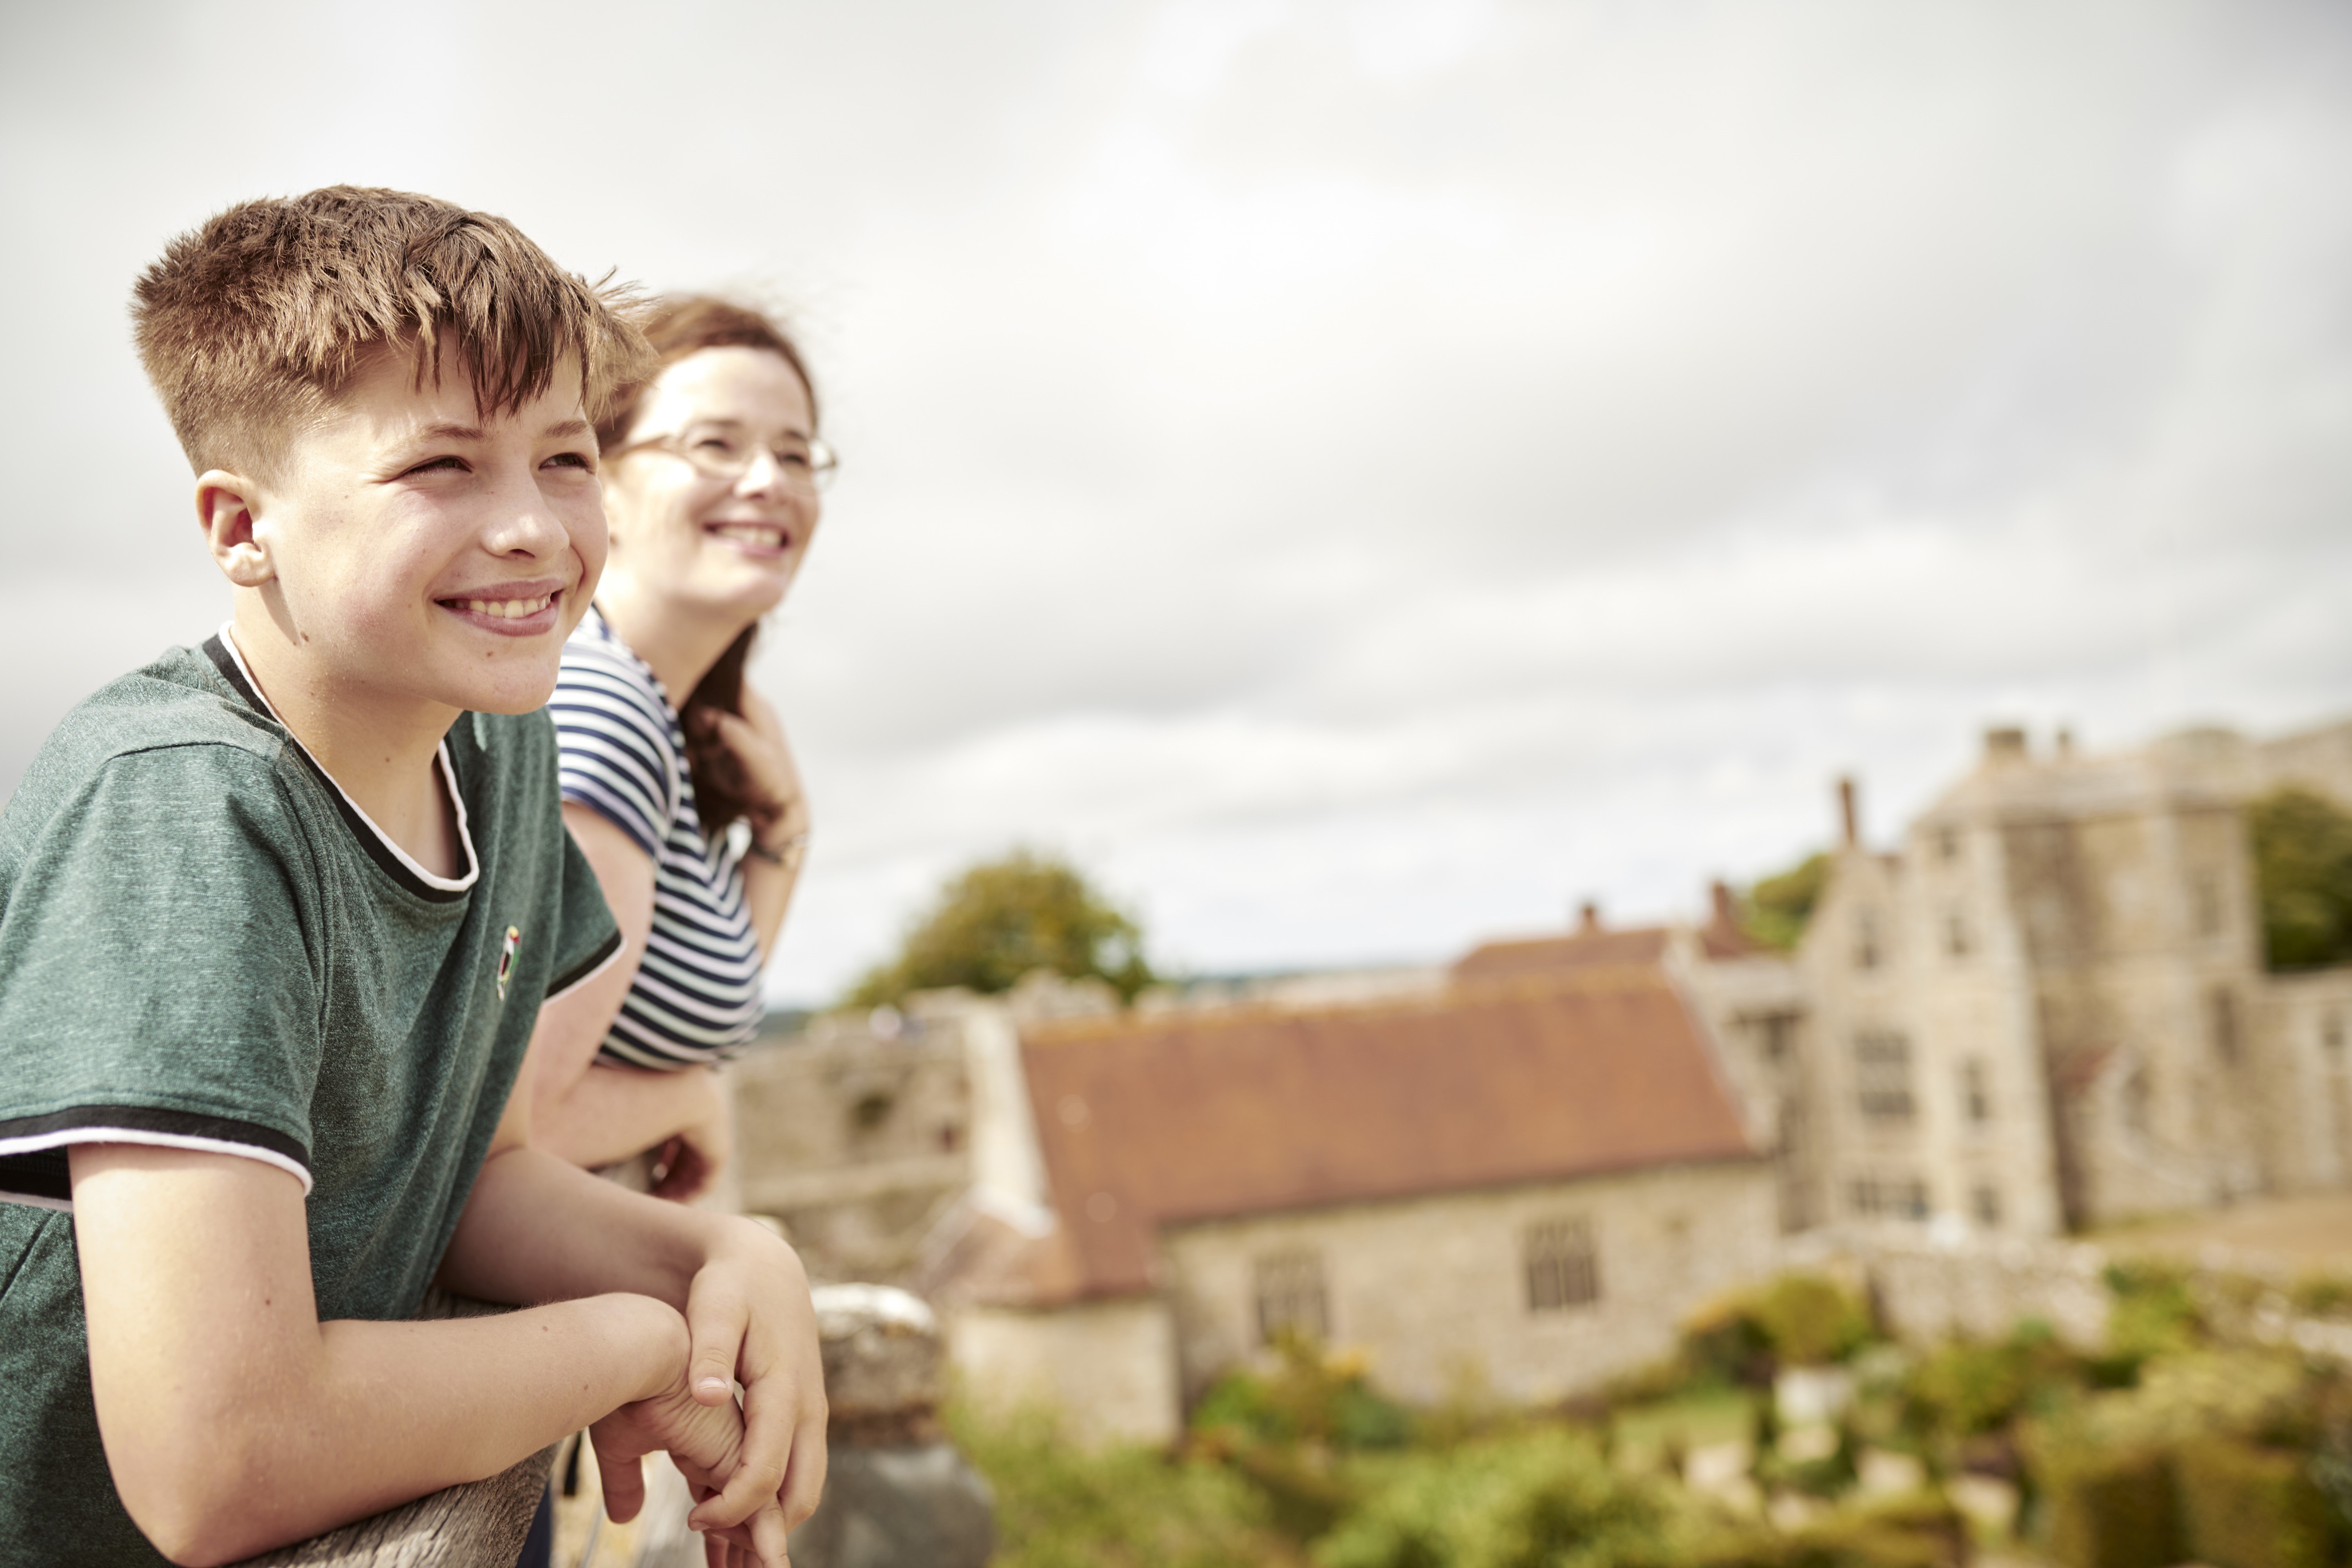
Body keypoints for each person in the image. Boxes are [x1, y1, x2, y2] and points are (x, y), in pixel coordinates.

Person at [0, 188, 824, 1567]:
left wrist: (716, 1264)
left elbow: (472, 1168)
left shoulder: (498, 740)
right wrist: (625, 1344)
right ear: (240, 526)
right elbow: (218, 1459)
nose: (533, 529)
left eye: (565, 459)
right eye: (442, 467)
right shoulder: (186, 811)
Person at [526, 299, 824, 1201]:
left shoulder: (646, 710)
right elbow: (504, 1130)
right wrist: (690, 1102)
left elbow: (703, 1015)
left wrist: (781, 838)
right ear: (597, 478)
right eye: (715, 444)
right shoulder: (601, 704)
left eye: (798, 453)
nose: (768, 478)